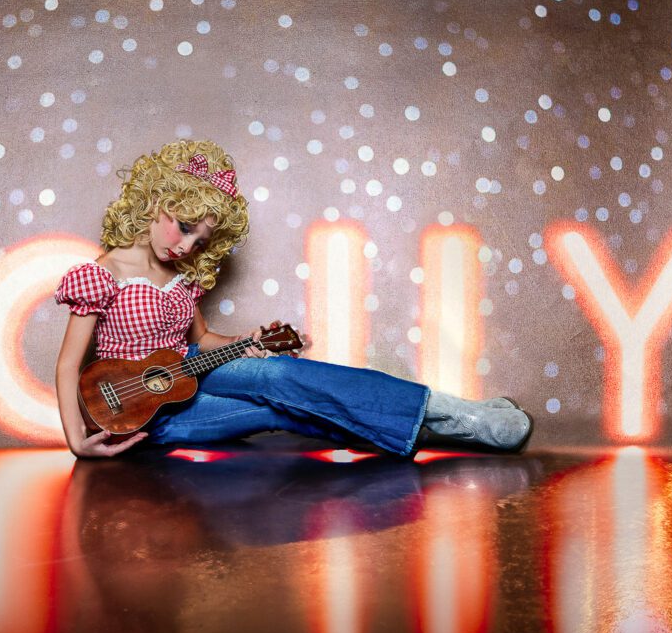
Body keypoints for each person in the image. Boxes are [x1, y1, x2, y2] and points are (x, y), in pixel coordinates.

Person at [54, 140, 533, 459]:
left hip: (191, 364)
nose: (185, 247)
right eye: (182, 227)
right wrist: (77, 442)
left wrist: (250, 341)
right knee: (280, 411)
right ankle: (425, 425)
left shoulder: (181, 278)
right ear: (157, 201)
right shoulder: (102, 274)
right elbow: (68, 365)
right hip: (147, 418)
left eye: (199, 242)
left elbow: (202, 338)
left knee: (281, 374)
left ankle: (453, 413)